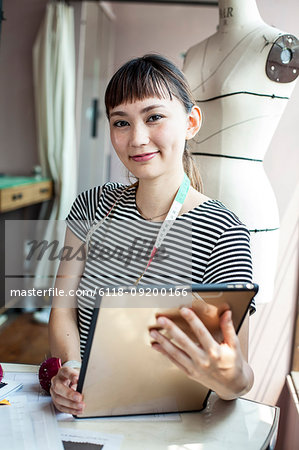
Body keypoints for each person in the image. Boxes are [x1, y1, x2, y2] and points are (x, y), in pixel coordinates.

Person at [48, 54, 254, 415]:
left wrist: (228, 378)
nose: (137, 138)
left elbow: (238, 377)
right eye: (121, 122)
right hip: (85, 409)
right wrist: (71, 370)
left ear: (191, 122)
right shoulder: (90, 206)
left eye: (154, 117)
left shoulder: (225, 230)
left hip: (170, 421)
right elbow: (63, 308)